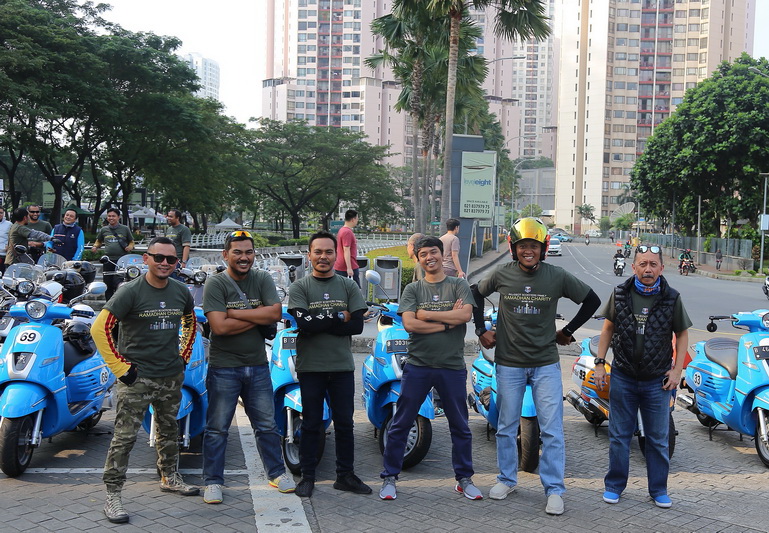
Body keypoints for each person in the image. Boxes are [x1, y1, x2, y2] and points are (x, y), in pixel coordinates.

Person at [472, 217, 601, 515]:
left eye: (533, 246)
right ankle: (506, 479)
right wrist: (481, 330)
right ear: (513, 248)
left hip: (545, 364)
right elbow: (475, 292)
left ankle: (554, 489)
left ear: (543, 248)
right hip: (509, 363)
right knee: (505, 426)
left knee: (552, 429)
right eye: (522, 246)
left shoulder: (557, 276)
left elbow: (592, 300)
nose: (527, 251)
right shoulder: (502, 273)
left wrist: (568, 331)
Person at [90, 237, 199, 524]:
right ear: (146, 259)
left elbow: (190, 321)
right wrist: (120, 368)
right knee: (124, 437)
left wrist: (183, 356)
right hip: (137, 378)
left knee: (169, 429)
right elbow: (99, 328)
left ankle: (170, 477)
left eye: (171, 259)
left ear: (177, 263)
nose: (164, 263)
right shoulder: (130, 291)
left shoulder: (180, 291)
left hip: (170, 375)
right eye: (158, 257)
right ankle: (113, 495)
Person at [379, 236, 481, 501]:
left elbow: (465, 315)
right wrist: (448, 322)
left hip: (451, 366)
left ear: (441, 253)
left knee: (460, 426)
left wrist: (427, 315)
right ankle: (390, 477)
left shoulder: (458, 285)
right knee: (401, 423)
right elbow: (410, 324)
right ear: (418, 258)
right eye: (423, 254)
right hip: (418, 365)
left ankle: (464, 479)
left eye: (433, 252)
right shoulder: (413, 290)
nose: (429, 257)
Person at [593, 244, 691, 509]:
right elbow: (607, 329)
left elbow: (682, 334)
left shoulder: (672, 297)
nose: (648, 269)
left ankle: (658, 490)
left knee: (657, 439)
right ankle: (614, 486)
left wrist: (677, 370)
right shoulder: (620, 293)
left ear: (661, 268)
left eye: (653, 264)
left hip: (657, 381)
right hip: (623, 376)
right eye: (643, 264)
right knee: (619, 436)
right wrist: (600, 363)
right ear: (633, 267)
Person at [201, 230, 295, 504]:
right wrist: (257, 316)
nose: (244, 257)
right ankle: (213, 481)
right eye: (238, 252)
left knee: (267, 425)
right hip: (223, 367)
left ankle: (276, 473)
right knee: (217, 428)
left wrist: (233, 313)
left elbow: (275, 313)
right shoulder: (216, 283)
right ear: (225, 255)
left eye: (249, 252)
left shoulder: (262, 278)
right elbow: (219, 327)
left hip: (257, 366)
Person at [288, 231, 371, 498]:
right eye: (318, 252)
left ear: (336, 255)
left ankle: (345, 475)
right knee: (311, 423)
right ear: (309, 255)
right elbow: (303, 324)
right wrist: (338, 317)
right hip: (311, 367)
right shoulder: (300, 287)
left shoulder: (348, 285)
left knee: (345, 423)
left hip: (341, 367)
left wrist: (317, 322)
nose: (323, 257)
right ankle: (307, 476)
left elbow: (357, 326)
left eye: (328, 252)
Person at [92, 208, 135, 301]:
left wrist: (130, 247)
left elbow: (131, 241)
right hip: (108, 260)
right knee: (108, 284)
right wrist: (95, 246)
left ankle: (119, 302)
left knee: (119, 283)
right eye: (109, 216)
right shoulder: (104, 229)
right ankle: (109, 303)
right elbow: (99, 241)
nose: (111, 218)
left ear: (118, 217)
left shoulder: (125, 229)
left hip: (122, 261)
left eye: (113, 216)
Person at [333, 209, 360, 286]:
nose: (357, 221)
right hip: (347, 266)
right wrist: (349, 268)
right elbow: (346, 249)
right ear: (353, 219)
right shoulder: (347, 232)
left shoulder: (342, 230)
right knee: (355, 289)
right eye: (357, 219)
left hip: (341, 265)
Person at [0, 207, 11, 273]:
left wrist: (9, 246)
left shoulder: (9, 224)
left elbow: (13, 237)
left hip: (3, 255)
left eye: (1, 213)